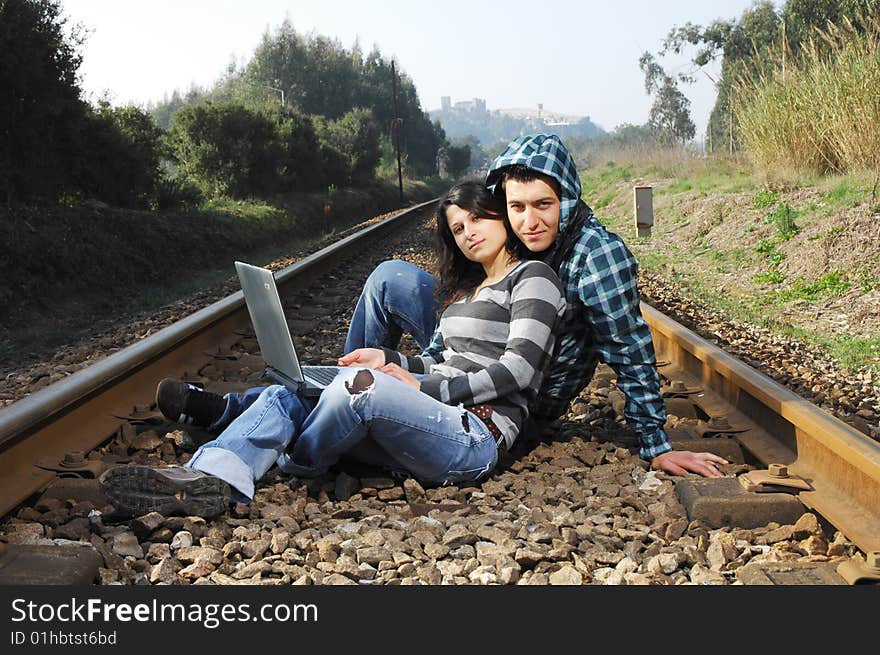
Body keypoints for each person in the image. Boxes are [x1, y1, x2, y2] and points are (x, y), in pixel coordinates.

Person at [99, 180, 566, 517]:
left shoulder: (533, 279)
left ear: (501, 215)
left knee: (356, 391)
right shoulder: (465, 292)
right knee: (292, 387)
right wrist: (391, 360)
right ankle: (211, 478)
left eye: (477, 218)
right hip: (426, 415)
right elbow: (439, 361)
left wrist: (421, 386)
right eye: (457, 228)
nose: (469, 233)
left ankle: (291, 457)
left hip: (474, 435)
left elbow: (517, 371)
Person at [344, 133, 727, 478]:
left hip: (515, 393)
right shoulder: (506, 234)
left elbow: (630, 349)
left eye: (543, 204)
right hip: (472, 354)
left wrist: (656, 444)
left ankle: (359, 417)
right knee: (390, 278)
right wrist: (419, 364)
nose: (530, 222)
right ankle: (343, 390)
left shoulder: (595, 256)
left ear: (567, 198)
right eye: (517, 207)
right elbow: (455, 316)